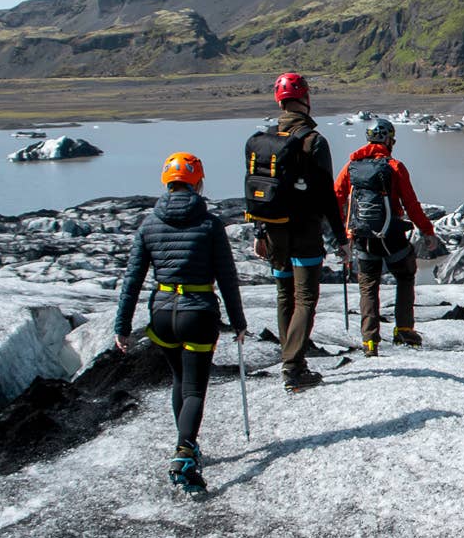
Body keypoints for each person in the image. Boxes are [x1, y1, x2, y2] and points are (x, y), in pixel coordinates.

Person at [113, 152, 249, 496]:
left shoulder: (150, 223)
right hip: (198, 312)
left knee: (179, 380)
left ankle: (186, 444)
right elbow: (227, 277)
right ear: (198, 183)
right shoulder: (209, 223)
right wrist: (238, 322)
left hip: (161, 313)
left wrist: (122, 326)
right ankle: (185, 454)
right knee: (194, 389)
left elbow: (132, 278)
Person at [243, 72, 345, 392]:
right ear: (305, 100)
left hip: (273, 231)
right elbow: (327, 196)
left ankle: (291, 361)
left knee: (284, 294)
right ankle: (293, 366)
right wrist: (341, 239)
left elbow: (259, 191)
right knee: (306, 299)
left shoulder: (266, 140)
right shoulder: (314, 141)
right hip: (305, 232)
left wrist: (260, 232)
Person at [333, 116, 439, 354]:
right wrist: (427, 231)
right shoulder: (394, 167)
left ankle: (370, 340)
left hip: (362, 236)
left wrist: (341, 233)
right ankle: (404, 329)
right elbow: (411, 204)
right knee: (404, 274)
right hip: (391, 235)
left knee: (368, 285)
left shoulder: (351, 167)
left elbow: (336, 199)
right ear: (390, 140)